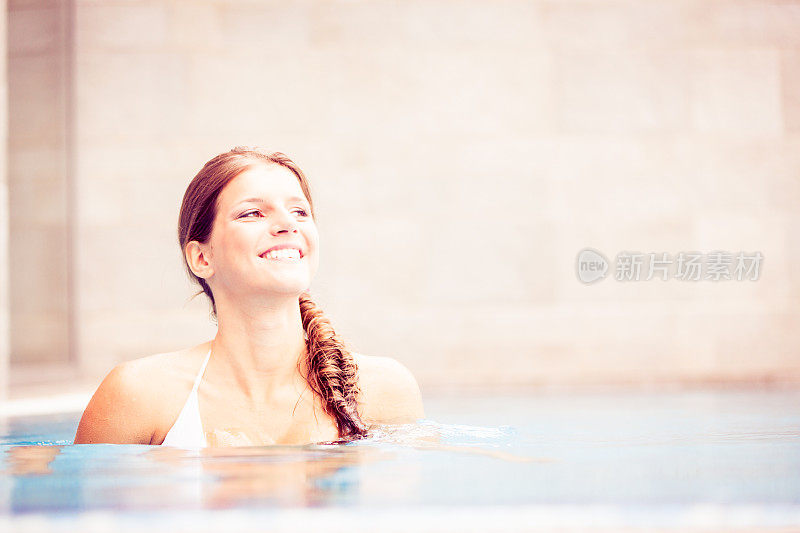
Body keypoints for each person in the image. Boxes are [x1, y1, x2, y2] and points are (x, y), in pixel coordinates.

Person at [74, 147, 424, 447]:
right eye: (252, 213)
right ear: (201, 257)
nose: (288, 225)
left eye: (299, 211)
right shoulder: (139, 397)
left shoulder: (382, 390)